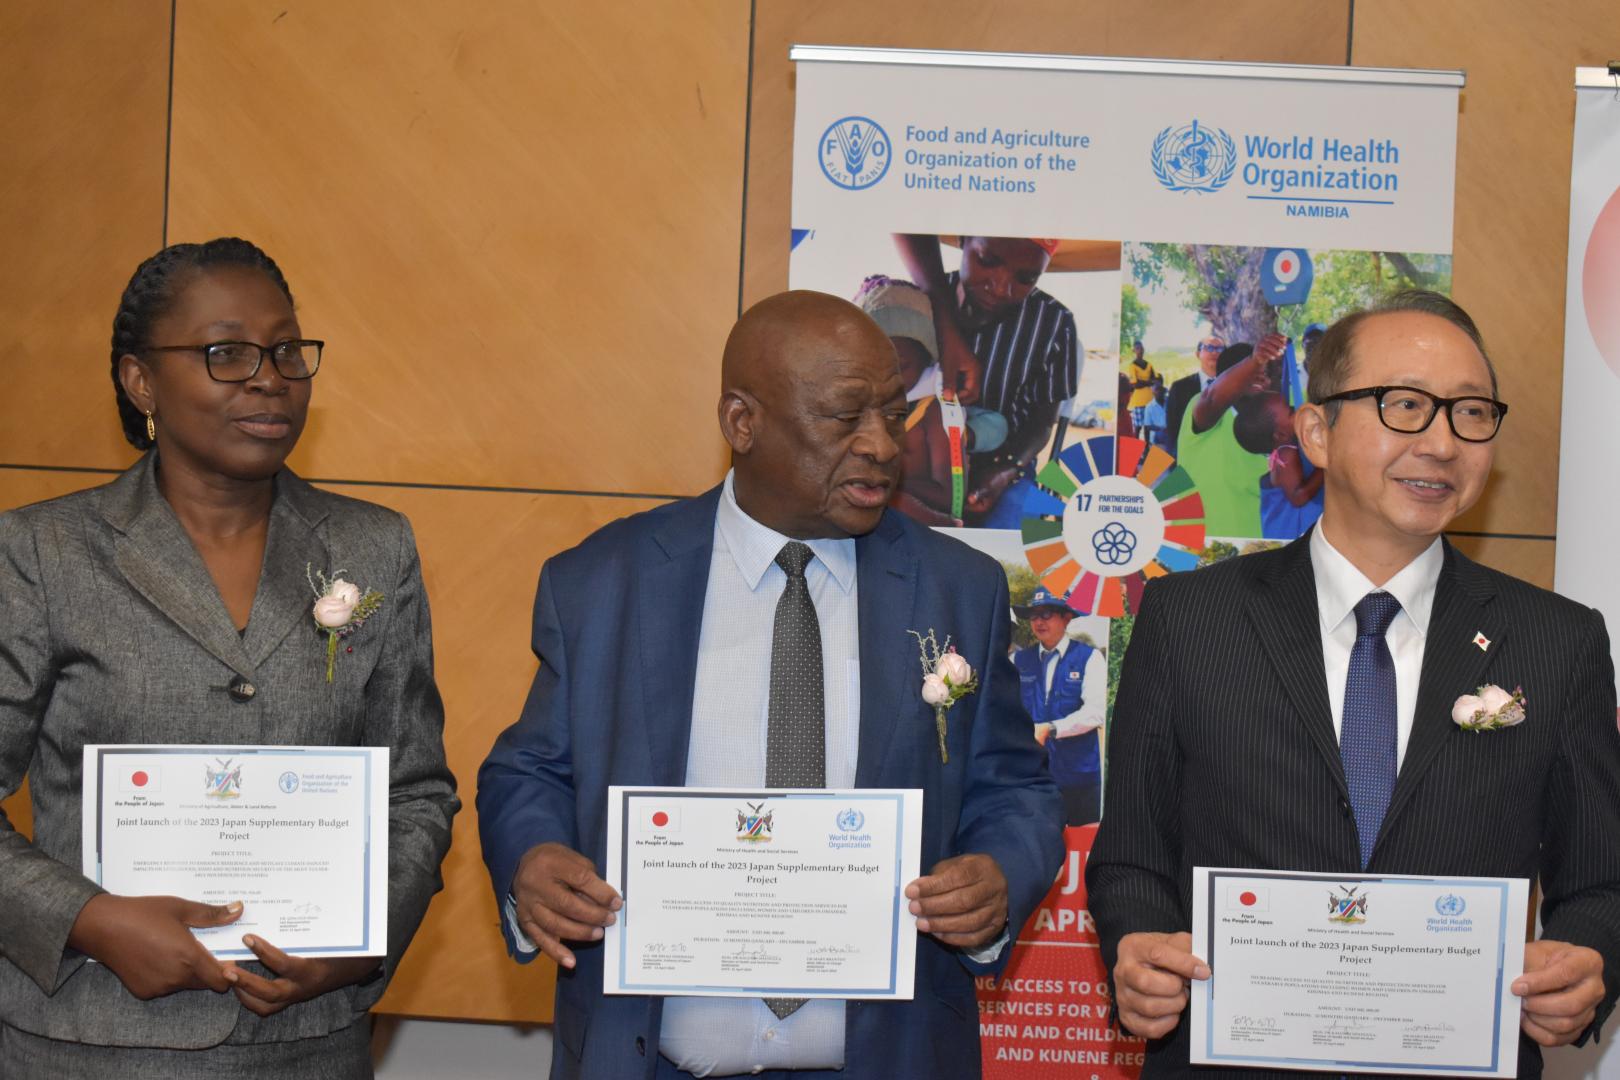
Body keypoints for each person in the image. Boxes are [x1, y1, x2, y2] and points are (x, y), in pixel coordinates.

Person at [478, 290, 1065, 1080]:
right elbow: (530, 769)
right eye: (844, 417)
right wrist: (534, 859)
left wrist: (997, 873)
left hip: (889, 1058)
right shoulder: (603, 582)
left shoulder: (958, 588)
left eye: (893, 416)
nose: (882, 447)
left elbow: (1016, 791)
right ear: (741, 423)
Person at [1087, 289, 1620, 1078]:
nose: (1442, 442)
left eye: (1471, 413)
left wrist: (1588, 962)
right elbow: (1132, 859)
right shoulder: (1188, 620)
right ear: (1317, 432)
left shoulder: (1558, 642)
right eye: (1405, 405)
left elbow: (1601, 880)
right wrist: (1137, 943)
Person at [0, 238, 459, 1077]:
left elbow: (417, 790)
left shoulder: (373, 546)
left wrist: (358, 943)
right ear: (141, 381)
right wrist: (91, 919)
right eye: (228, 353)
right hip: (88, 1042)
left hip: (307, 1042)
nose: (269, 377)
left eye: (287, 351)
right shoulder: (39, 553)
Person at [894, 235, 1080, 525]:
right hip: (918, 464)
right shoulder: (916, 303)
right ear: (964, 241)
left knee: (1011, 537)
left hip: (1006, 463)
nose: (1000, 288)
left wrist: (1004, 472)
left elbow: (1043, 422)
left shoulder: (1054, 324)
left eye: (1026, 277)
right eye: (988, 261)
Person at [853, 276, 1005, 528]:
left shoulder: (934, 411)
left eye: (902, 366)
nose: (887, 378)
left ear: (926, 360)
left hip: (924, 527)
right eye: (873, 365)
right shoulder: (859, 407)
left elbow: (950, 498)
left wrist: (882, 483)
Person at [1172, 336, 1285, 539]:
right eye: (1250, 373)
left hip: (1257, 549)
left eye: (1265, 374)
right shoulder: (1201, 408)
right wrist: (1254, 360)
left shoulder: (1275, 422)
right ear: (1225, 378)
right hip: (1201, 548)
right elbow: (1213, 397)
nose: (1261, 378)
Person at [1011, 589, 1105, 826]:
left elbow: (1096, 712)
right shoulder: (1018, 661)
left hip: (1079, 776)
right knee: (1033, 843)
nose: (1039, 621)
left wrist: (1051, 728)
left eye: (1047, 614)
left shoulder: (1090, 657)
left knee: (1081, 849)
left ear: (1067, 617)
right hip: (1032, 775)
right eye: (1034, 616)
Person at [1232, 391, 1323, 539]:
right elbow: (1298, 497)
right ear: (1280, 435)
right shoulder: (1286, 454)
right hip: (1292, 534)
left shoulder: (1288, 450)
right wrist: (1323, 466)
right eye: (1291, 411)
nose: (1297, 409)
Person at [1162, 333, 1224, 459]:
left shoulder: (1233, 386)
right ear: (1198, 354)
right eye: (1210, 348)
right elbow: (1172, 427)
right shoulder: (1179, 388)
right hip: (1190, 456)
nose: (1215, 353)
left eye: (1220, 349)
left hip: (1223, 457)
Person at [1124, 340, 1157, 434]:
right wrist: (1148, 382)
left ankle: (1147, 447)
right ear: (1134, 350)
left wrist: (1142, 381)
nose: (1140, 350)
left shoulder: (1149, 365)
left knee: (1148, 427)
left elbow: (1154, 381)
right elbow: (1135, 385)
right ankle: (1135, 447)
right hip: (1138, 402)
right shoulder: (1132, 366)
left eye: (1141, 348)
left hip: (1150, 400)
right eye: (1137, 348)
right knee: (1137, 428)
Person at [1138, 380, 1168, 449]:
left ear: (1164, 391)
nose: (1159, 392)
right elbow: (1147, 427)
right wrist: (1161, 429)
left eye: (1161, 389)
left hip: (1169, 434)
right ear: (1153, 392)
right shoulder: (1149, 407)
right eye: (1157, 390)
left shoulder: (1169, 402)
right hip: (1157, 436)